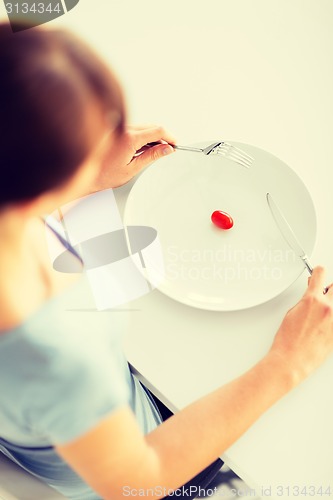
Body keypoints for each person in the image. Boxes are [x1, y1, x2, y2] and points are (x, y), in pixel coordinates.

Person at [0, 21, 333, 500]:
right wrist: (287, 363)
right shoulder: (57, 352)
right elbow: (137, 479)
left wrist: (86, 179)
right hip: (124, 454)